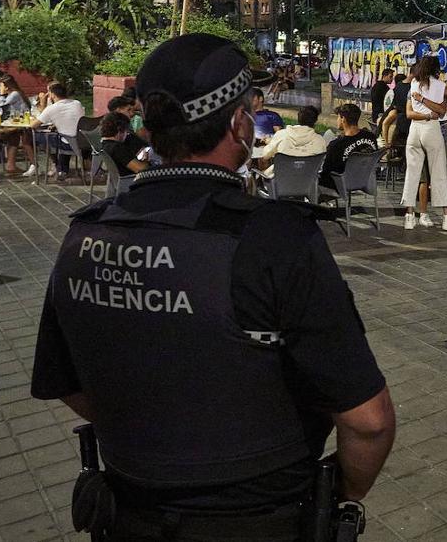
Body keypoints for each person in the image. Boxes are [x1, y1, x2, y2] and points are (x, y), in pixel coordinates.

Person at [30, 34, 395, 541]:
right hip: (258, 514)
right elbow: (369, 420)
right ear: (239, 124)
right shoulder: (273, 237)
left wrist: (157, 437)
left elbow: (63, 380)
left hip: (126, 512)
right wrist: (341, 497)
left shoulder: (85, 232)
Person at [401, 57, 447, 231]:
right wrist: (429, 104)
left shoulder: (414, 83)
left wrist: (420, 99)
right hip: (431, 129)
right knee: (439, 172)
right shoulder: (440, 85)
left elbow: (410, 112)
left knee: (412, 174)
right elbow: (443, 110)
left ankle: (409, 216)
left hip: (414, 130)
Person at [27, 83, 85, 180]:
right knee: (62, 135)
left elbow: (33, 125)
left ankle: (53, 164)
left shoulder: (52, 108)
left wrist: (43, 103)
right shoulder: (77, 103)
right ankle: (62, 169)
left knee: (32, 137)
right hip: (82, 141)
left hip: (67, 142)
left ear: (53, 94)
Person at [257, 105, 326, 181]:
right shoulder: (320, 141)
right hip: (307, 186)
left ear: (298, 118)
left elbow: (265, 155)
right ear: (315, 121)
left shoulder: (282, 135)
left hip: (279, 185)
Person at [318, 104, 378, 189]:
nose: (337, 120)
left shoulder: (336, 145)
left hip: (342, 183)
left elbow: (326, 172)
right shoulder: (371, 137)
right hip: (367, 181)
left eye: (338, 117)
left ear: (343, 119)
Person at [99, 112, 150, 177]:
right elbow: (142, 170)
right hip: (128, 181)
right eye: (126, 131)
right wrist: (145, 159)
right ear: (120, 130)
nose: (127, 134)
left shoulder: (104, 144)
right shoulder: (117, 148)